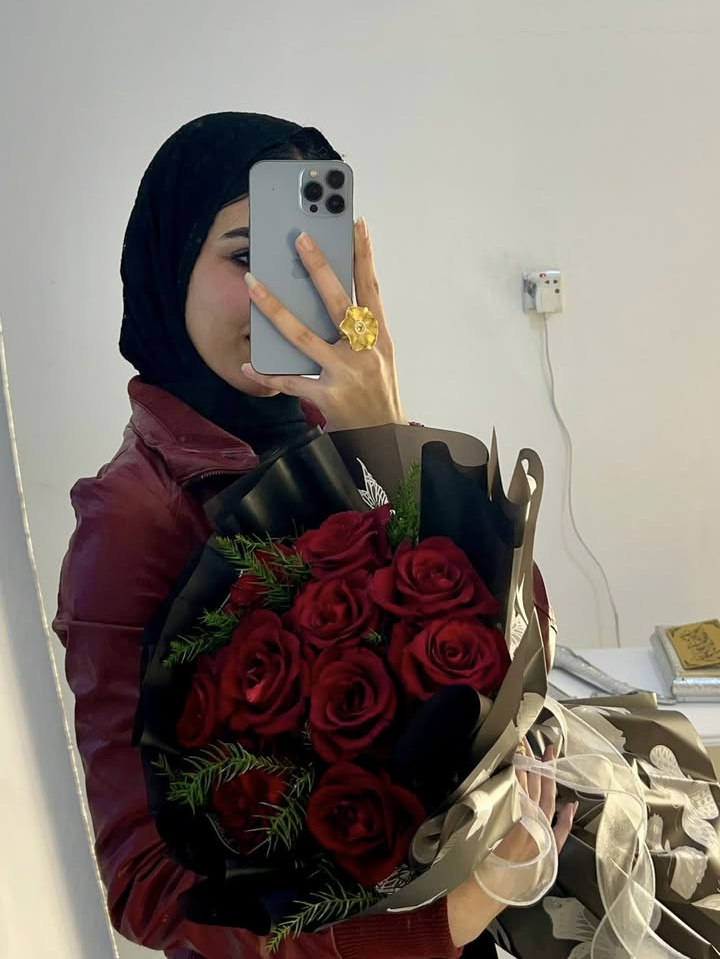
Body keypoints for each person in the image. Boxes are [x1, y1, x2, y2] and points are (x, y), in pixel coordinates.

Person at [53, 112, 573, 959]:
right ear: (168, 266)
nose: (282, 295)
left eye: (310, 260)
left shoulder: (333, 433)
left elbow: (517, 635)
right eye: (245, 257)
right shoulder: (135, 516)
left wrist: (387, 433)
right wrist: (452, 916)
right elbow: (145, 883)